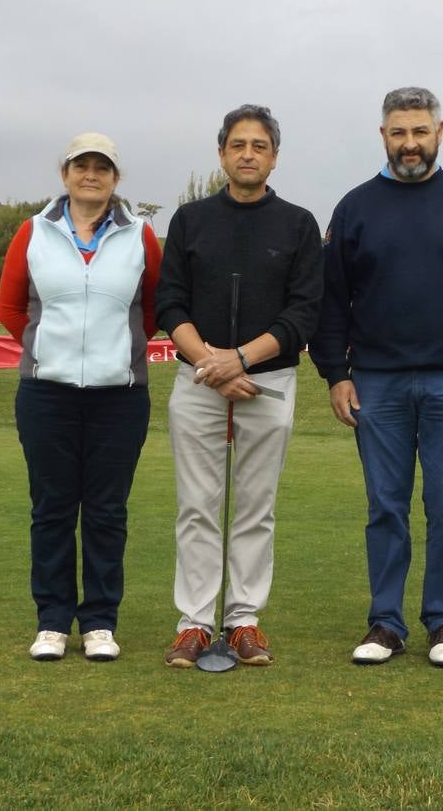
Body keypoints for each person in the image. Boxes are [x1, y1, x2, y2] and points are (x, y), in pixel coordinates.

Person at [311, 87, 443, 668]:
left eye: (420, 132)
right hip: (376, 382)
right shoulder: (354, 208)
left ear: (439, 133)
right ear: (383, 136)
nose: (410, 143)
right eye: (398, 133)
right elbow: (332, 304)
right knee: (386, 506)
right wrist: (335, 374)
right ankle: (385, 624)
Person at [156, 105, 322, 669]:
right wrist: (211, 363)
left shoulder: (298, 224)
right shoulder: (190, 220)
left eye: (259, 145)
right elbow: (169, 302)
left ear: (274, 156)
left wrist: (242, 360)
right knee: (198, 506)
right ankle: (196, 624)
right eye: (238, 144)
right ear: (222, 152)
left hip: (268, 381)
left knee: (255, 507)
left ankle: (244, 620)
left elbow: (304, 312)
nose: (248, 153)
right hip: (199, 379)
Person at [0, 132, 163, 663]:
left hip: (120, 397)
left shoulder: (140, 235)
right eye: (80, 165)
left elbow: (154, 309)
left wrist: (120, 351)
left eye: (102, 167)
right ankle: (51, 621)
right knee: (51, 508)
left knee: (107, 511)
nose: (91, 174)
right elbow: (12, 307)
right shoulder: (33, 232)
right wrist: (49, 351)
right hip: (47, 394)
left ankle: (99, 621)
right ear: (65, 174)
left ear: (116, 179)